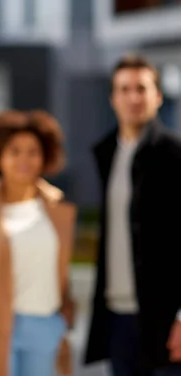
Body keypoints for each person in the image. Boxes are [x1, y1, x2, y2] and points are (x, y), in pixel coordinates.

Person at [85, 54, 181, 375]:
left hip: (166, 320)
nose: (133, 97)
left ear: (157, 96)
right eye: (124, 89)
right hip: (116, 318)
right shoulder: (105, 153)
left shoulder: (174, 154)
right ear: (113, 98)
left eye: (141, 88)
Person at [0, 110, 76, 376]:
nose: (24, 159)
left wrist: (65, 320)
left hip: (46, 324)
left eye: (32, 151)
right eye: (15, 151)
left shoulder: (57, 206)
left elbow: (62, 273)